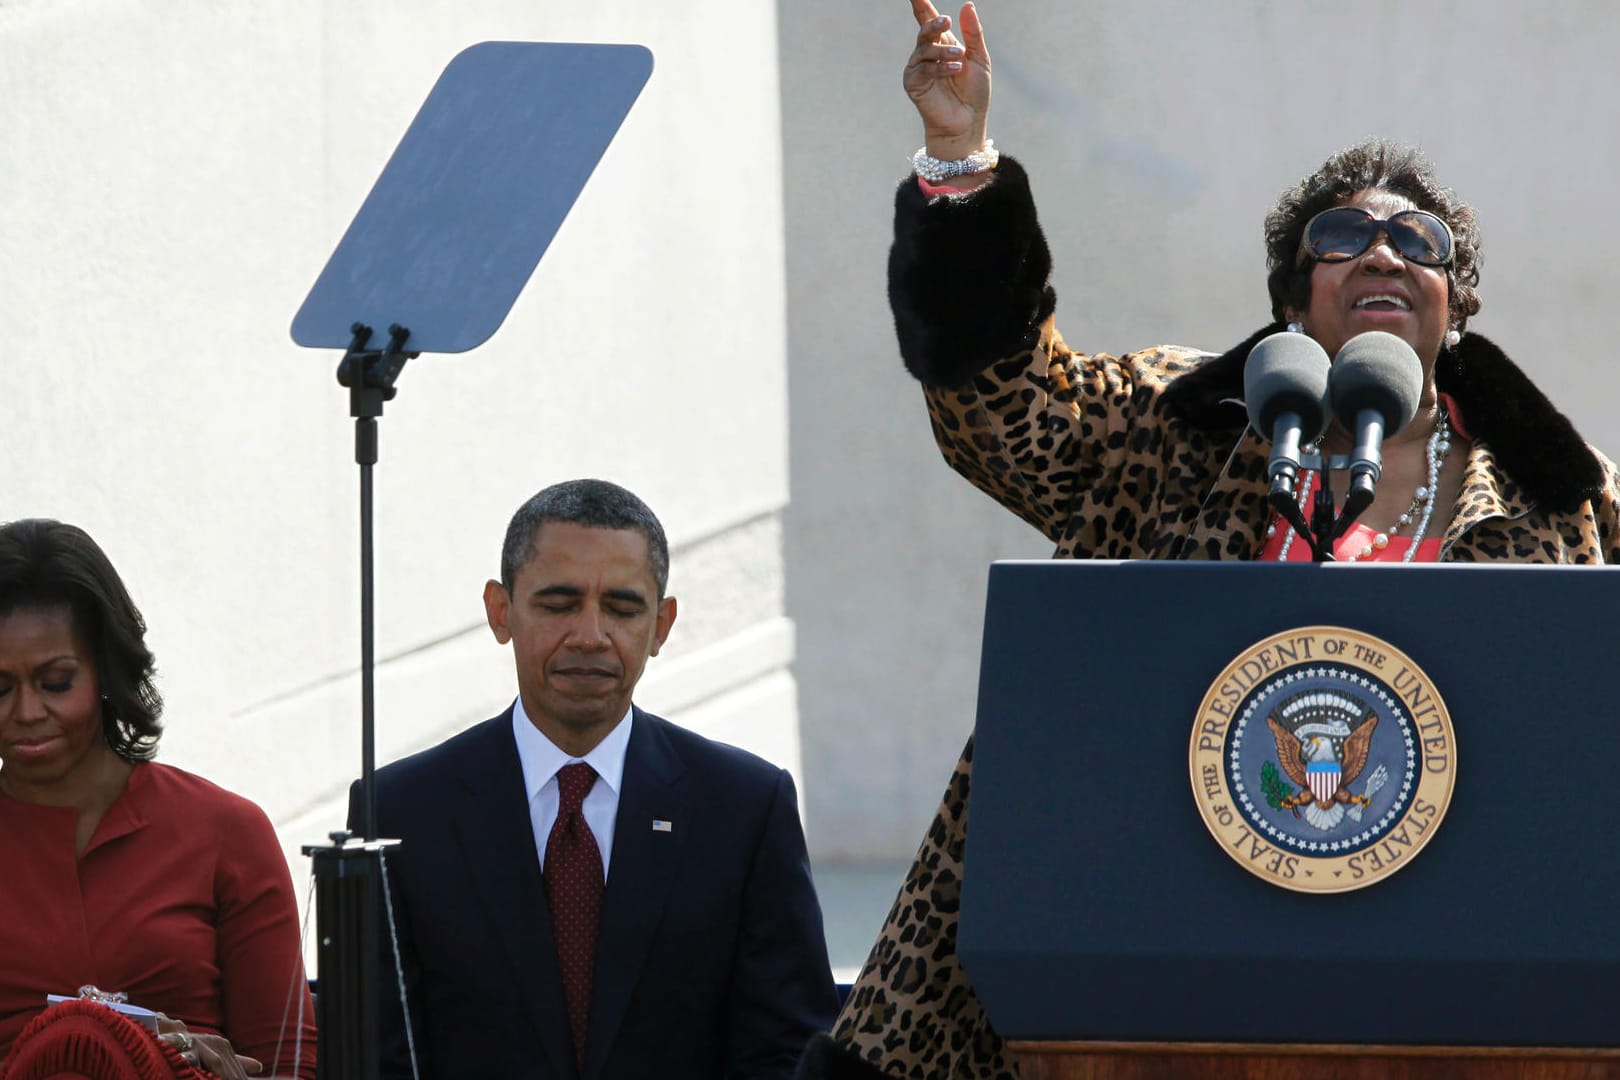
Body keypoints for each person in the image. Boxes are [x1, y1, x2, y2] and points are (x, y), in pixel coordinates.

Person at [799, 2, 1620, 1076]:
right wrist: (961, 162)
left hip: (1463, 992)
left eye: (1416, 242)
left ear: (1454, 303)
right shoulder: (1176, 426)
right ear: (1292, 298)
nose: (1380, 248)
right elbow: (1001, 403)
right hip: (1143, 965)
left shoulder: (1570, 503)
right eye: (1342, 238)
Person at [354, 478, 839, 1079]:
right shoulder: (400, 811)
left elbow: (786, 1050)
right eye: (558, 604)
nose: (589, 635)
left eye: (622, 607)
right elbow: (379, 1057)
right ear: (500, 612)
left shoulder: (744, 808)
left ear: (661, 625)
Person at [0, 519, 317, 1080]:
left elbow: (290, 1065)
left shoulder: (225, 831)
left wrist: (196, 1064)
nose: (26, 712)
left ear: (106, 669)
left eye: (55, 683)